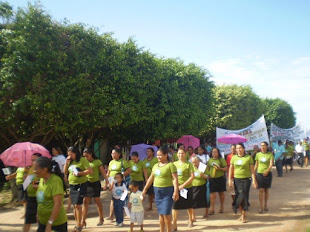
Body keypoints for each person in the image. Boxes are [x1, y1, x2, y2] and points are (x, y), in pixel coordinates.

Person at [142, 147, 179, 232]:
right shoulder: (155, 166)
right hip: (157, 192)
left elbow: (175, 179)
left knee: (166, 213)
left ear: (166, 155)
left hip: (167, 191)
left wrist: (176, 191)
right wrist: (145, 189)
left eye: (160, 155)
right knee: (161, 213)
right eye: (157, 155)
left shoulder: (170, 165)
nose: (158, 157)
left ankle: (168, 230)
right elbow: (151, 178)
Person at [34, 156, 67, 232]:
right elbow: (41, 199)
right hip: (43, 222)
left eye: (36, 169)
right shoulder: (42, 180)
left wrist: (49, 223)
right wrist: (38, 214)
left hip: (56, 225)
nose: (34, 171)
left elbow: (57, 204)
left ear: (44, 170)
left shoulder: (55, 181)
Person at [64, 146, 93, 231]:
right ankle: (78, 222)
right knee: (74, 205)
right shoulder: (70, 161)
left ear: (76, 153)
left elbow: (90, 170)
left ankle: (79, 224)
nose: (70, 156)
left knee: (78, 204)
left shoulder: (82, 160)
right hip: (72, 184)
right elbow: (65, 172)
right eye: (68, 154)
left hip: (81, 184)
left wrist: (80, 173)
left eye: (71, 154)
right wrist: (66, 162)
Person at [229, 143, 257, 223]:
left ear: (244, 149)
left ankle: (243, 215)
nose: (238, 150)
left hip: (246, 179)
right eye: (237, 148)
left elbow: (252, 170)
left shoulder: (248, 158)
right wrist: (229, 180)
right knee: (239, 196)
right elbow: (231, 169)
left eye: (240, 148)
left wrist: (254, 180)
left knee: (244, 196)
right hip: (237, 179)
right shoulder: (234, 158)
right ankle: (241, 213)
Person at [82, 148, 110, 228]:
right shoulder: (84, 162)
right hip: (87, 183)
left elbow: (103, 173)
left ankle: (101, 218)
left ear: (91, 154)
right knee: (85, 201)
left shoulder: (97, 162)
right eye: (84, 156)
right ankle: (83, 220)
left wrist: (106, 182)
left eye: (87, 156)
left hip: (95, 183)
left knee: (97, 201)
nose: (86, 158)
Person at [172, 148, 195, 230]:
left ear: (185, 154)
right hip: (176, 188)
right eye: (179, 153)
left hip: (187, 188)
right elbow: (171, 176)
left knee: (189, 205)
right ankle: (174, 223)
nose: (181, 155)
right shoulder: (174, 164)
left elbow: (192, 176)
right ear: (177, 155)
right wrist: (176, 185)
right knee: (175, 206)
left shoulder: (189, 164)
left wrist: (183, 185)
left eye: (182, 153)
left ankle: (190, 220)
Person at [106, 148, 131, 221]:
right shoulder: (111, 162)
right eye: (112, 153)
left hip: (120, 183)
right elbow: (108, 172)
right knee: (113, 198)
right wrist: (107, 182)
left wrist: (122, 176)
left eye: (114, 153)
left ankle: (120, 214)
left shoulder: (123, 162)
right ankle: (111, 215)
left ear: (119, 154)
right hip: (112, 183)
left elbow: (128, 170)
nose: (112, 155)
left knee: (121, 199)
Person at [23, 153, 41, 232]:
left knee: (40, 218)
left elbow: (45, 184)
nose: (33, 162)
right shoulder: (30, 169)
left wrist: (37, 186)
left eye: (35, 160)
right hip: (30, 196)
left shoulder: (42, 170)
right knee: (28, 219)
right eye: (32, 160)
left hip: (40, 196)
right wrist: (25, 178)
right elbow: (25, 185)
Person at [207, 147, 228, 215]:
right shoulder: (209, 160)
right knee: (212, 194)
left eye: (215, 152)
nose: (214, 153)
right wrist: (208, 175)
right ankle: (212, 208)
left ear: (218, 153)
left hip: (220, 178)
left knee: (221, 193)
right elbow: (207, 168)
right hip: (212, 179)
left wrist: (220, 168)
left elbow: (226, 168)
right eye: (213, 152)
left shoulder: (221, 160)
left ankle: (222, 206)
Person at [254, 141, 273, 213]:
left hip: (268, 174)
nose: (262, 147)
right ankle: (261, 206)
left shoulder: (270, 154)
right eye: (261, 145)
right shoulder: (258, 154)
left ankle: (265, 204)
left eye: (264, 145)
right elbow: (256, 165)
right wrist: (253, 173)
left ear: (267, 146)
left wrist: (267, 171)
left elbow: (271, 164)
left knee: (266, 190)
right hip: (259, 174)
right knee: (261, 189)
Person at [191, 155, 210, 221]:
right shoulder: (191, 167)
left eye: (195, 162)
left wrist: (204, 176)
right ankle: (193, 216)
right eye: (193, 162)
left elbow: (209, 177)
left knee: (205, 199)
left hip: (203, 185)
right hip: (193, 186)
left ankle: (206, 213)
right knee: (192, 200)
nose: (194, 164)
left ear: (199, 161)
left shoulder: (203, 167)